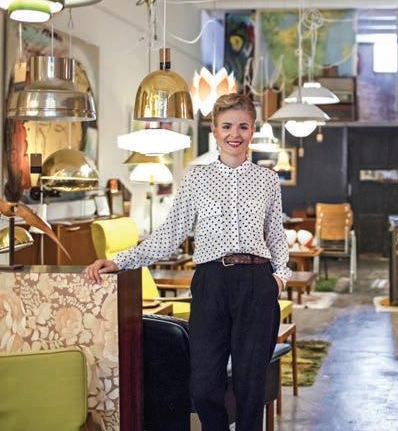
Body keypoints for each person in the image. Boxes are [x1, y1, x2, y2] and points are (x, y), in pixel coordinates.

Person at [85, 93, 291, 430]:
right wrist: (120, 260)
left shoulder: (267, 180)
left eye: (243, 126)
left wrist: (279, 277)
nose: (235, 134)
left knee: (251, 388)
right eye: (227, 126)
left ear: (252, 130)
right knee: (204, 385)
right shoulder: (196, 178)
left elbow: (275, 235)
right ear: (215, 131)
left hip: (257, 283)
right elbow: (170, 235)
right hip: (211, 282)